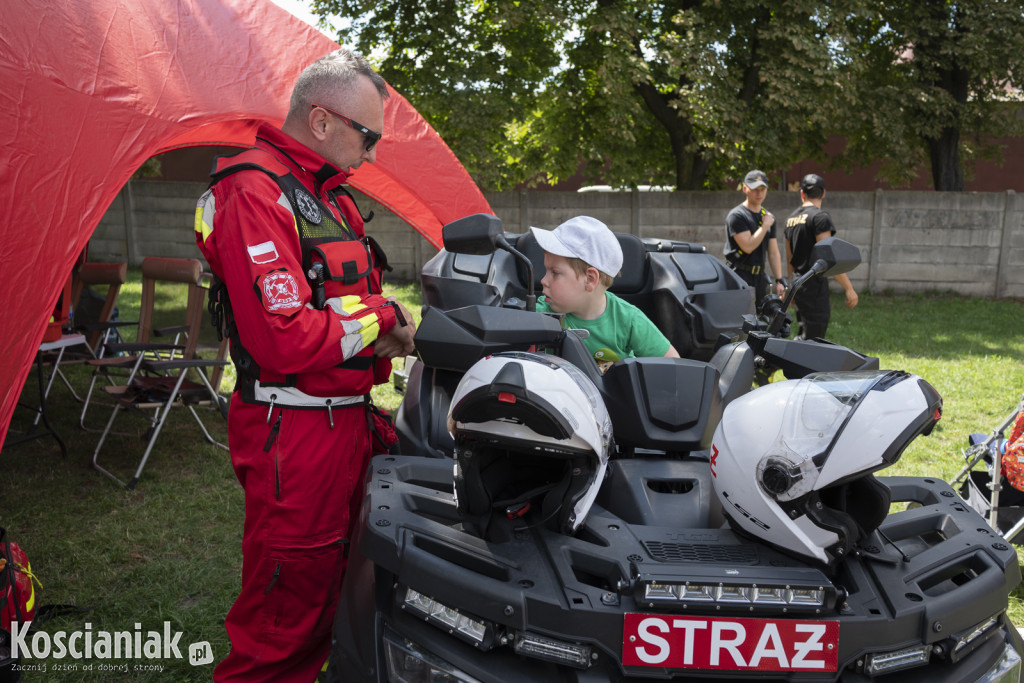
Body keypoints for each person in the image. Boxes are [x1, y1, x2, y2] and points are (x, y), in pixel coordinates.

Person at [193, 48, 416, 682]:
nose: (371, 155)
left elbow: (340, 306)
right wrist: (380, 320)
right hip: (294, 433)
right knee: (282, 621)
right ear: (322, 121)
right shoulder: (252, 190)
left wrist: (379, 322)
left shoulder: (329, 197)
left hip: (346, 422)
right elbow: (285, 338)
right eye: (367, 136)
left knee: (340, 591)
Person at [532, 216, 679, 371]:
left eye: (554, 272)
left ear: (589, 279)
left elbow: (673, 365)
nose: (543, 280)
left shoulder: (628, 320)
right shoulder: (541, 313)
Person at [783, 173, 858, 340]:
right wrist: (849, 288)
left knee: (803, 334)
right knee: (814, 340)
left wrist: (791, 288)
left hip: (798, 283)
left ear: (802, 193)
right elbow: (827, 258)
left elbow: (790, 259)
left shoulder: (790, 220)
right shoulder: (819, 218)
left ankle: (796, 363)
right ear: (823, 193)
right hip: (814, 286)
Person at [724, 169, 786, 305]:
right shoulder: (737, 216)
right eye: (755, 189)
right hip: (739, 275)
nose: (759, 193)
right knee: (740, 320)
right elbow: (747, 246)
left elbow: (774, 252)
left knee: (760, 320)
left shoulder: (768, 217)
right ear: (745, 189)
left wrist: (779, 280)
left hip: (759, 277)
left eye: (762, 189)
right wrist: (764, 227)